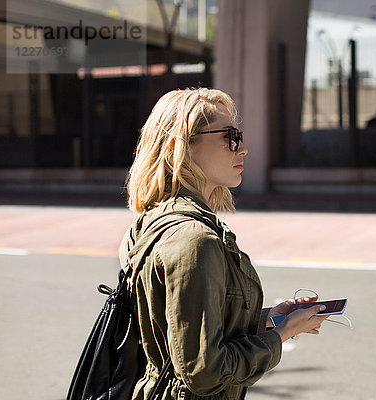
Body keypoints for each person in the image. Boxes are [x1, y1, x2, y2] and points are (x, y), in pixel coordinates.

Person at [119, 87, 329, 400]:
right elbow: (204, 373)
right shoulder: (193, 240)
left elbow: (177, 327)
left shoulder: (150, 221)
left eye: (240, 135)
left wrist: (268, 318)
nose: (242, 148)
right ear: (182, 147)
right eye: (229, 136)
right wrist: (284, 333)